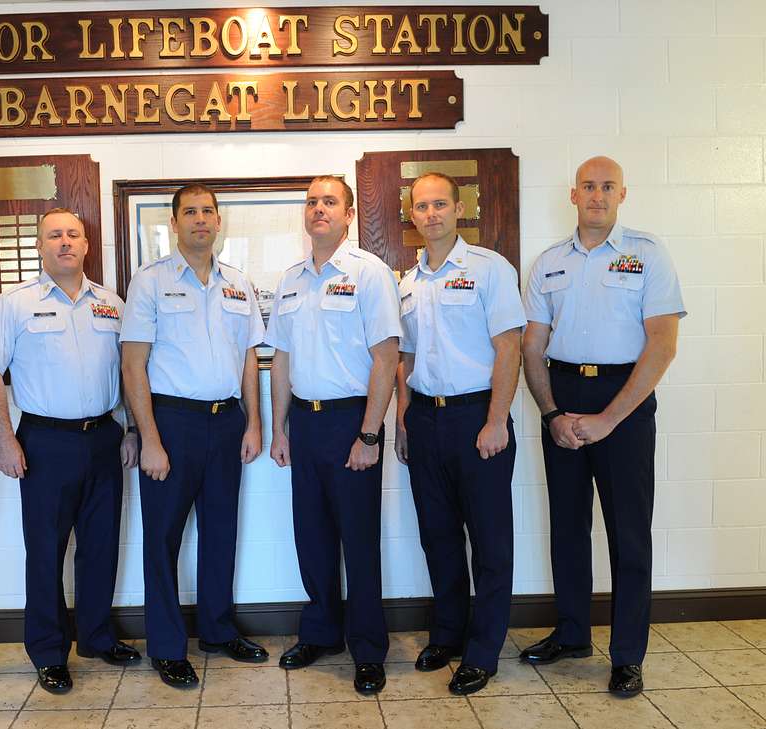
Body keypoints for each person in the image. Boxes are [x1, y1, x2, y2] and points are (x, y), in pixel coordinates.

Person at [520, 156, 685, 696]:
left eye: (607, 186)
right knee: (567, 528)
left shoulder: (647, 255)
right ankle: (571, 634)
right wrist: (551, 415)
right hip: (562, 396)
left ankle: (627, 654)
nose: (597, 195)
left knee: (628, 534)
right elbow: (533, 345)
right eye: (588, 186)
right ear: (573, 195)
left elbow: (661, 344)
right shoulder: (547, 262)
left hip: (626, 402)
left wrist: (611, 418)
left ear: (622, 193)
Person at [0, 208, 141, 695]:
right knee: (45, 551)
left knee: (101, 545)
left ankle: (97, 637)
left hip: (105, 437)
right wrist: (5, 438)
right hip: (45, 441)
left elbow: (128, 373)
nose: (64, 242)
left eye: (73, 234)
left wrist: (129, 430)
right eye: (54, 235)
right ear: (40, 246)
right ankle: (48, 652)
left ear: (87, 245)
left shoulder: (112, 303)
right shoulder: (16, 303)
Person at [120, 184, 268, 688]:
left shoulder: (238, 285)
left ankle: (217, 629)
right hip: (172, 424)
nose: (200, 220)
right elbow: (133, 365)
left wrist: (254, 421)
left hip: (226, 421)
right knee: (162, 539)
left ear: (219, 221)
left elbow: (249, 357)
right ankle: (166, 646)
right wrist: (150, 438)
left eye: (208, 211)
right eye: (190, 212)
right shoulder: (150, 283)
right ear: (175, 222)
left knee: (220, 531)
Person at [266, 175, 400, 695]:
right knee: (313, 536)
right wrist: (279, 427)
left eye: (329, 201)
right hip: (307, 421)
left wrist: (369, 435)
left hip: (352, 421)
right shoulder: (291, 279)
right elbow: (281, 358)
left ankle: (368, 649)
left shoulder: (369, 274)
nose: (318, 209)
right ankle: (322, 632)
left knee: (359, 542)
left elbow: (385, 357)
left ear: (347, 214)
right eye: (312, 201)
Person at [393, 172, 525, 695]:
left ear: (459, 208)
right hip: (425, 419)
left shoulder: (490, 270)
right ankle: (448, 633)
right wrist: (403, 419)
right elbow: (404, 359)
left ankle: (484, 649)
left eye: (440, 204)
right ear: (413, 216)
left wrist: (496, 420)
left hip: (477, 418)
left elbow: (510, 348)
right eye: (422, 206)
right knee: (439, 537)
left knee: (490, 542)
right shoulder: (407, 283)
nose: (431, 214)